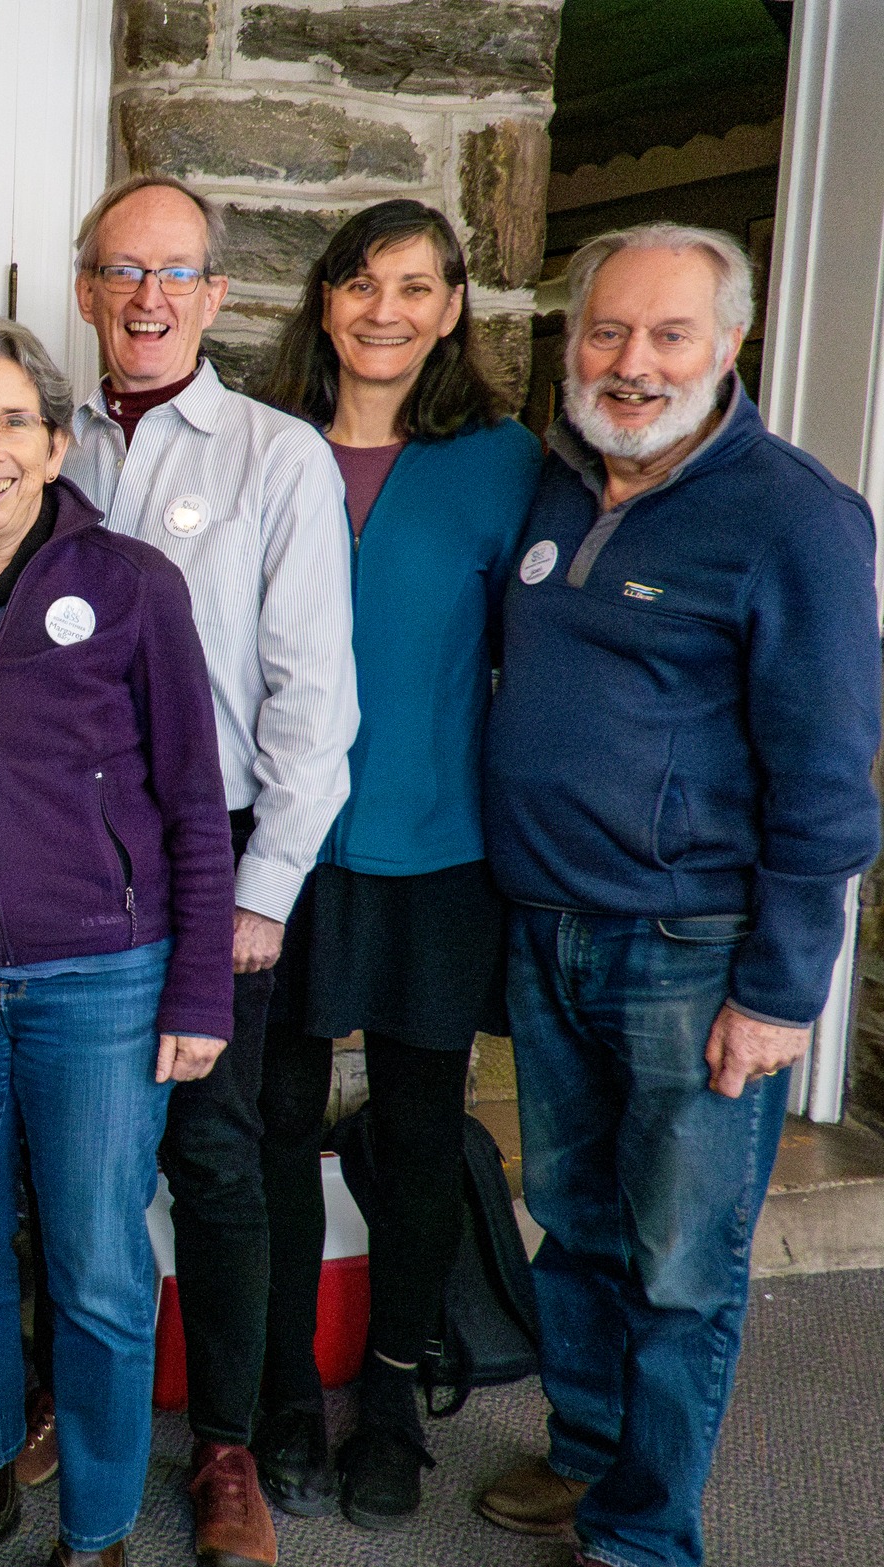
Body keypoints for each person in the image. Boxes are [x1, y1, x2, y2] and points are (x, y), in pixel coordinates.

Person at [478, 223, 880, 1567]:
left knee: (680, 1262)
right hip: (548, 930)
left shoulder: (795, 515)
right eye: (607, 331)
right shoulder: (551, 480)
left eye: (666, 335)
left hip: (691, 954)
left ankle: (644, 1535)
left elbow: (827, 778)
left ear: (728, 346)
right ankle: (590, 1452)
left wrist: (781, 988)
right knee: (578, 1223)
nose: (631, 363)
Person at [0, 317, 236, 1567]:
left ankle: (95, 1531)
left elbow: (194, 797)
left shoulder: (133, 583)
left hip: (102, 981)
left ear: (53, 439)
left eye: (12, 422)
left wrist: (199, 990)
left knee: (94, 1270)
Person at [63, 174, 357, 1567]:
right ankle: (89, 1404)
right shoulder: (33, 438)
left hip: (212, 854)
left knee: (219, 1154)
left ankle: (227, 1440)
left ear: (217, 296)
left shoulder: (271, 455)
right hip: (63, 855)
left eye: (175, 273)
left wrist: (263, 890)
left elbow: (314, 699)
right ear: (85, 288)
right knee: (75, 1158)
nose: (147, 298)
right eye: (122, 271)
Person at [248, 199, 543, 1529]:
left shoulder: (503, 461)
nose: (384, 309)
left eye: (414, 287)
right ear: (323, 301)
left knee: (422, 1134)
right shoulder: (261, 447)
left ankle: (387, 1395)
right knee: (273, 1131)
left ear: (450, 309)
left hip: (438, 854)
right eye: (360, 282)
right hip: (283, 852)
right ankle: (282, 1399)